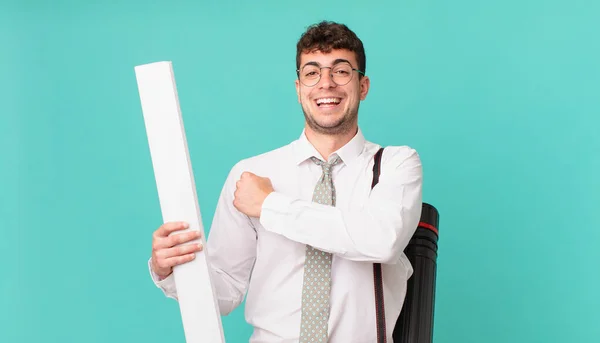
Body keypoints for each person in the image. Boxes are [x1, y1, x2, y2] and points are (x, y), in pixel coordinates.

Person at [148, 21, 423, 343]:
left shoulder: (395, 164)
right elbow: (224, 292)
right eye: (312, 72)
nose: (326, 84)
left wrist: (269, 206)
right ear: (298, 88)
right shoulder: (249, 174)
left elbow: (382, 241)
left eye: (341, 71)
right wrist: (171, 270)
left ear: (363, 86)